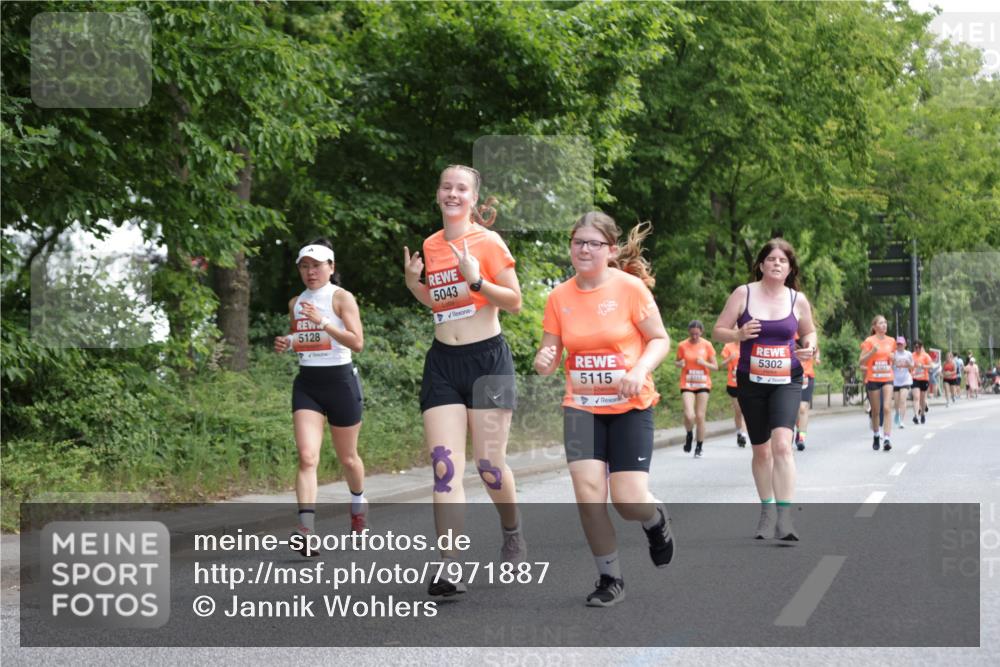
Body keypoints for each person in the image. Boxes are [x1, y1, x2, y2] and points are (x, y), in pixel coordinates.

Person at [535, 212, 673, 607]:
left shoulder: (630, 289)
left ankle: (654, 518)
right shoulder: (559, 297)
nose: (584, 249)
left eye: (593, 243)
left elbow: (659, 339)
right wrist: (544, 361)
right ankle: (610, 577)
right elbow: (548, 353)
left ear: (611, 250)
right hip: (581, 407)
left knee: (628, 499)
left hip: (630, 405)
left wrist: (640, 368)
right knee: (589, 495)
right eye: (578, 241)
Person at [403, 164, 525, 598]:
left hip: (487, 361)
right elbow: (441, 302)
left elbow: (514, 301)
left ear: (474, 199)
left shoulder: (488, 242)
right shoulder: (431, 244)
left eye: (461, 189)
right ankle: (449, 564)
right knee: (444, 467)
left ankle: (511, 530)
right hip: (442, 362)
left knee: (490, 467)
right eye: (446, 187)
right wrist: (413, 284)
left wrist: (477, 278)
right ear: (437, 194)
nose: (452, 194)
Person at [712, 238, 817, 541]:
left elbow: (809, 332)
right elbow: (718, 330)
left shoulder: (797, 300)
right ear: (761, 265)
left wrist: (808, 347)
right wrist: (738, 333)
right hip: (751, 381)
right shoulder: (743, 294)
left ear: (789, 268)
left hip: (787, 379)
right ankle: (767, 509)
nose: (776, 264)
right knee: (761, 451)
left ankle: (785, 519)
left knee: (783, 445)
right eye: (770, 259)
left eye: (782, 260)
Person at [274, 240, 367, 556]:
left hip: (341, 383)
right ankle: (307, 530)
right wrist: (289, 342)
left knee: (348, 459)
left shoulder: (341, 298)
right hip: (308, 385)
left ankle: (357, 503)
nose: (310, 271)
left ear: (331, 267)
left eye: (317, 265)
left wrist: (324, 321)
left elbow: (357, 342)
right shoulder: (295, 302)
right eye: (305, 266)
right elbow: (305, 339)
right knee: (307, 456)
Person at [675, 320, 718, 457]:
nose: (694, 337)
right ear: (689, 332)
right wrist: (679, 364)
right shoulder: (682, 345)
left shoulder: (707, 345)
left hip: (703, 384)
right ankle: (689, 434)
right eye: (692, 334)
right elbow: (677, 361)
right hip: (687, 383)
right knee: (689, 415)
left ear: (701, 332)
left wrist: (704, 362)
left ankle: (699, 447)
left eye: (697, 334)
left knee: (700, 416)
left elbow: (715, 367)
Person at [859, 315, 896, 452]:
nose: (884, 325)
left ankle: (886, 438)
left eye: (885, 322)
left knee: (887, 408)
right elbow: (861, 361)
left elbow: (895, 361)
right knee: (875, 411)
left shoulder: (891, 341)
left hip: (887, 377)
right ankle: (876, 435)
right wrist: (871, 352)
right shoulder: (869, 341)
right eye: (881, 323)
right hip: (873, 378)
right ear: (874, 327)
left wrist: (894, 358)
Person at [720, 341, 748, 447]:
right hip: (733, 384)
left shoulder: (749, 344)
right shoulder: (728, 346)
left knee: (744, 410)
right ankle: (739, 432)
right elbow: (720, 365)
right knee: (738, 411)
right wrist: (729, 359)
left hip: (746, 384)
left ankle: (744, 435)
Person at [795, 335, 818, 452]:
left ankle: (801, 438)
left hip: (807, 376)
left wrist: (817, 357)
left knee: (803, 408)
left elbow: (816, 350)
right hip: (791, 377)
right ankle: (798, 429)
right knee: (794, 410)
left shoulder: (808, 335)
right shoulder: (788, 333)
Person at [892, 336, 914, 430]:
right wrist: (894, 363)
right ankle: (897, 412)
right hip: (896, 380)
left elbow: (912, 366)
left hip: (905, 379)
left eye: (901, 344)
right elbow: (891, 366)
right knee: (896, 402)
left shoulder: (908, 354)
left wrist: (908, 364)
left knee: (902, 400)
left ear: (905, 344)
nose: (900, 345)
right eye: (898, 344)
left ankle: (902, 420)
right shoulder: (894, 354)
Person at [910, 340, 932, 424]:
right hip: (914, 378)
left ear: (921, 347)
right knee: (916, 397)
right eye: (915, 347)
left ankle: (922, 414)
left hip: (924, 379)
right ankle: (915, 415)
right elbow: (909, 365)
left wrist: (922, 366)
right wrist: (911, 366)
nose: (917, 349)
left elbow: (931, 366)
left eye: (918, 347)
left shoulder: (925, 356)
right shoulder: (912, 355)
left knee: (922, 399)